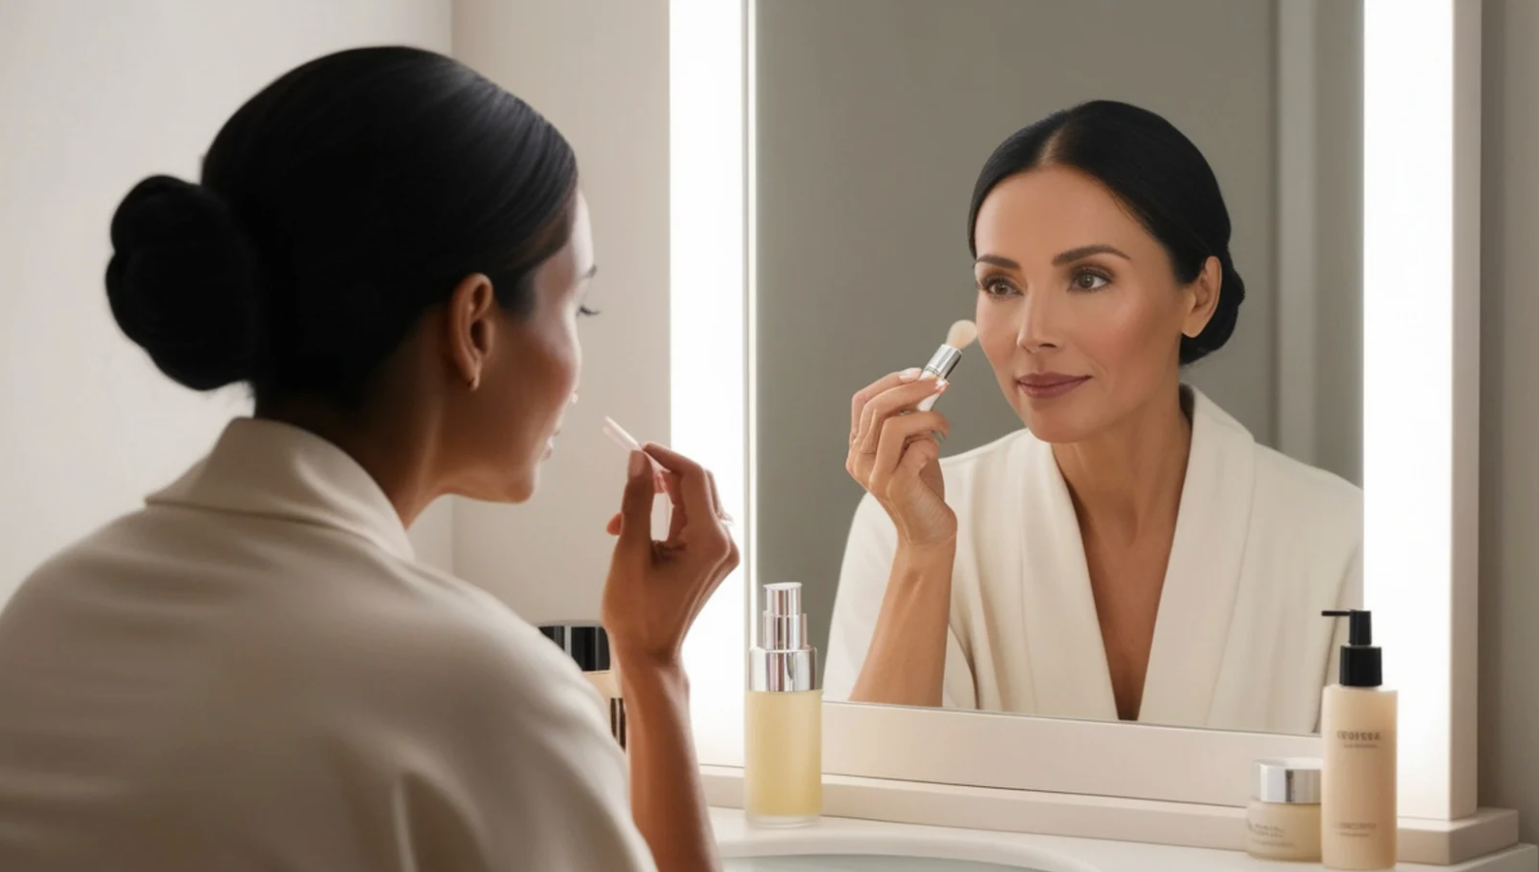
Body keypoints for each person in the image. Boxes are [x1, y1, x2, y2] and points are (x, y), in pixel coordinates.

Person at [0, 47, 731, 872]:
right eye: (578, 303)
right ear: (475, 325)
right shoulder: (485, 694)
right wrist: (656, 671)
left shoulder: (45, 613)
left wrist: (646, 657)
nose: (578, 362)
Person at [824, 101, 1361, 734]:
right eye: (1001, 285)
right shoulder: (910, 525)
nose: (1033, 333)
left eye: (1089, 278)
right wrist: (922, 551)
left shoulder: (1340, 537)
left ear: (1199, 295)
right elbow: (877, 810)